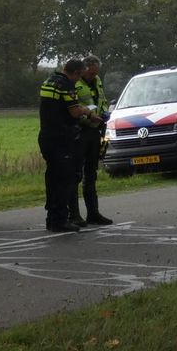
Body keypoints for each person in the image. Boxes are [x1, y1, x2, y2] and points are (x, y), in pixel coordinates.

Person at [38, 58, 87, 232]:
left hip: (46, 136)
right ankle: (60, 219)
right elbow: (73, 111)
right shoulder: (66, 85)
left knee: (52, 178)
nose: (78, 80)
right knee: (64, 179)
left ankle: (51, 218)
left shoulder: (49, 81)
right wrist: (85, 110)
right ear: (76, 72)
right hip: (61, 137)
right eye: (79, 76)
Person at [75, 54, 113, 225]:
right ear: (83, 71)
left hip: (96, 131)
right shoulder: (75, 84)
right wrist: (89, 119)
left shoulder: (97, 80)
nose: (94, 76)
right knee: (76, 174)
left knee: (91, 173)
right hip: (81, 131)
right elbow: (73, 110)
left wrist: (104, 112)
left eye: (96, 73)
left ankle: (93, 212)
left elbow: (102, 100)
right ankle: (74, 215)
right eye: (91, 73)